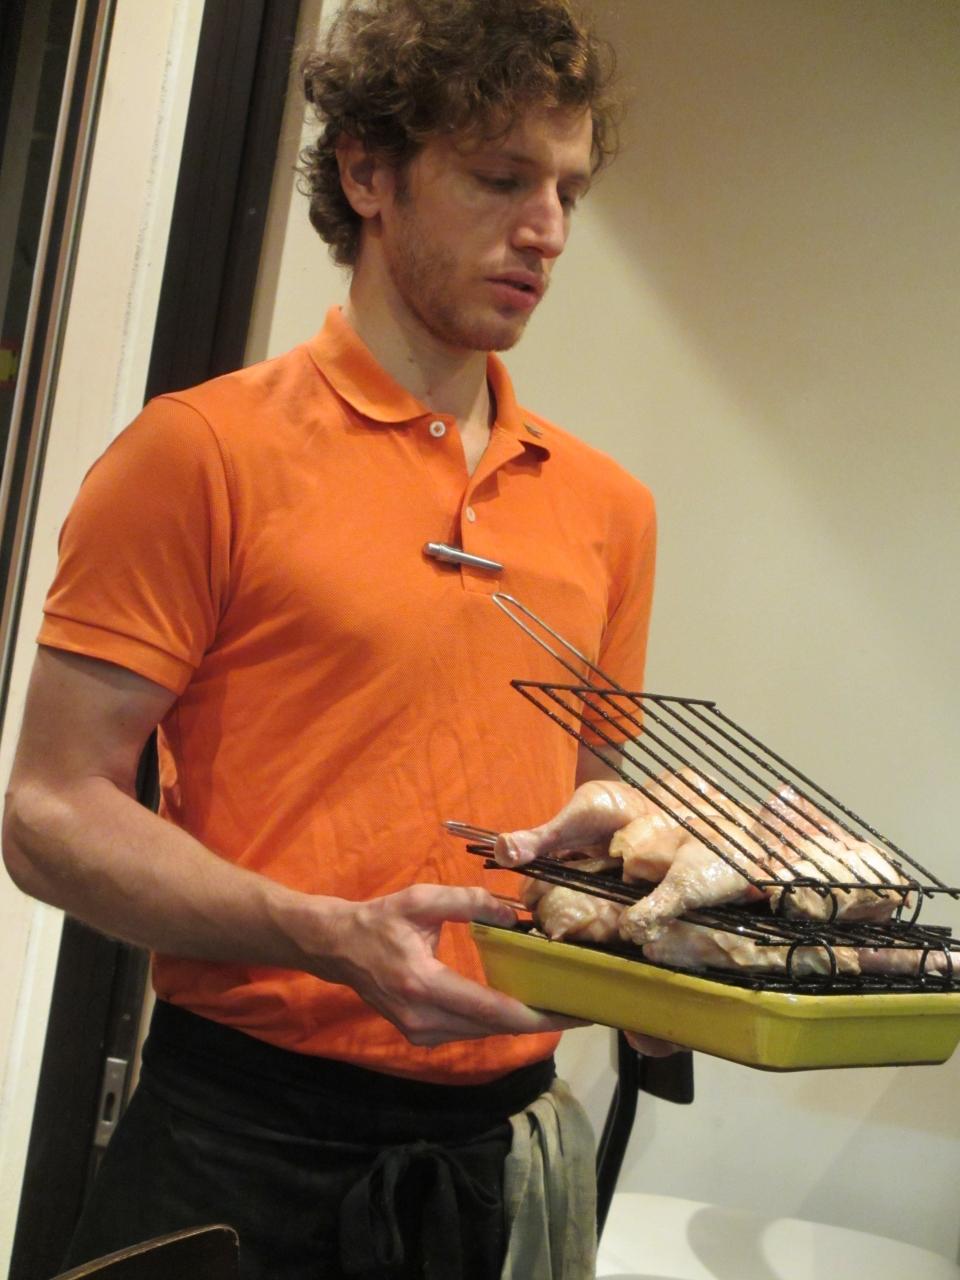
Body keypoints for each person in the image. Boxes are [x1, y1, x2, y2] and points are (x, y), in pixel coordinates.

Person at [2, 1, 660, 1276]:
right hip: (239, 1149)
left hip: (498, 1168)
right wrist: (322, 932)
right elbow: (47, 811)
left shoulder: (609, 509)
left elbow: (593, 822)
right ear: (367, 172)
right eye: (501, 178)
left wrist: (661, 948)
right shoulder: (201, 453)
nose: (548, 229)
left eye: (569, 191)